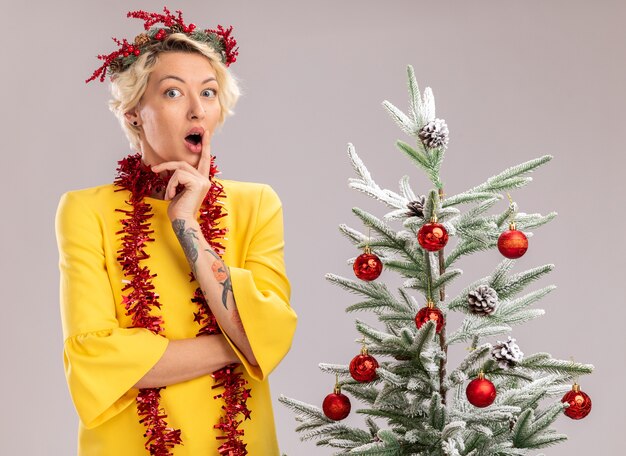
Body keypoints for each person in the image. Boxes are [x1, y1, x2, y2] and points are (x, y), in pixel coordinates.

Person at [55, 7, 297, 455]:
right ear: (133, 115)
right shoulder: (84, 210)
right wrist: (242, 345)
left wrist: (186, 224)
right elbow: (94, 357)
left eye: (208, 93)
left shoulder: (257, 203)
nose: (196, 109)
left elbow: (273, 336)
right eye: (172, 92)